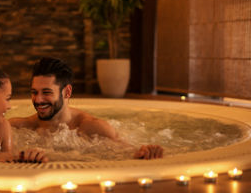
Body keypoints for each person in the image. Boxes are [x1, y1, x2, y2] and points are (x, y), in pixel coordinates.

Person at [9, 57, 163, 159]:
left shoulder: (91, 127)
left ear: (67, 92)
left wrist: (146, 152)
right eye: (34, 92)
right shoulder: (22, 126)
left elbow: (127, 151)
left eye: (46, 92)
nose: (38, 100)